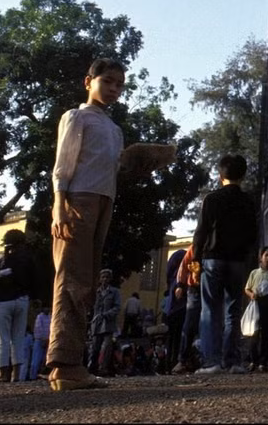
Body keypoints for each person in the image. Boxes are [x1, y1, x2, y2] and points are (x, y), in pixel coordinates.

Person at [47, 58, 163, 392]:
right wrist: (59, 206)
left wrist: (142, 161)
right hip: (76, 201)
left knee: (86, 280)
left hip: (104, 202)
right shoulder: (76, 117)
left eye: (119, 85)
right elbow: (62, 166)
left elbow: (113, 170)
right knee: (70, 279)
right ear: (89, 81)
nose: (113, 89)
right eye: (107, 81)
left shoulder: (114, 129)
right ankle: (64, 364)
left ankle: (71, 365)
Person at [194, 153, 259, 374]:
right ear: (243, 176)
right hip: (238, 260)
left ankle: (211, 361)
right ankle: (232, 361)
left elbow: (201, 232)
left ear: (220, 175)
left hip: (213, 258)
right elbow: (253, 234)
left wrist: (195, 260)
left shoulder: (211, 199)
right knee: (233, 310)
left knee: (210, 309)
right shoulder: (249, 201)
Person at [0, 229, 36, 383]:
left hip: (3, 301)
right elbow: (35, 281)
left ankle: (2, 373)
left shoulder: (1, 261)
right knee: (18, 336)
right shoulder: (28, 260)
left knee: (2, 338)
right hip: (22, 300)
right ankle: (16, 374)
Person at [244, 245, 268, 373]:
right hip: (255, 304)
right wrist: (251, 295)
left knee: (267, 334)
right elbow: (247, 288)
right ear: (261, 257)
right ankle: (253, 360)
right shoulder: (254, 273)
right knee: (253, 334)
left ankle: (263, 362)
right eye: (266, 255)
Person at [171, 243, 202, 374]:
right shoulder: (194, 247)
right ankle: (183, 360)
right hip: (194, 289)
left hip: (212, 290)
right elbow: (184, 265)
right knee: (189, 324)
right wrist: (180, 285)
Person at [88, 269, 121, 377]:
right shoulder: (96, 292)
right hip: (96, 324)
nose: (104, 279)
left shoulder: (114, 292)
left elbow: (117, 307)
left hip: (108, 323)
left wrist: (106, 314)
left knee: (106, 347)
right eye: (103, 277)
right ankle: (92, 368)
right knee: (95, 347)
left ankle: (103, 368)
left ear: (110, 279)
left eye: (107, 277)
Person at [30, 303, 51, 381]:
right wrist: (42, 339)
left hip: (48, 340)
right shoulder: (40, 317)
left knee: (45, 359)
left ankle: (42, 374)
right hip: (39, 340)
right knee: (36, 359)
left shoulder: (50, 317)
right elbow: (38, 329)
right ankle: (32, 376)